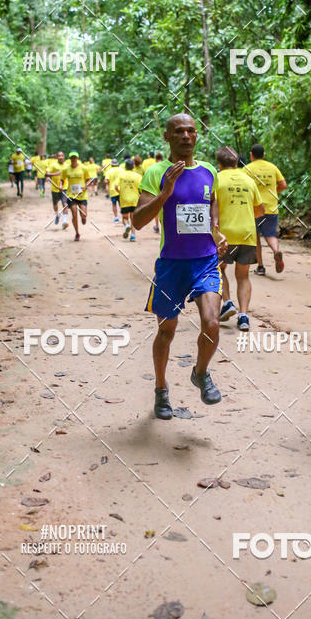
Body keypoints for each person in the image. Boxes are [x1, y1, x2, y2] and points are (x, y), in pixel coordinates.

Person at [133, 113, 228, 420]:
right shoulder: (156, 172)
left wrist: (217, 232)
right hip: (172, 265)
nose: (186, 136)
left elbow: (210, 205)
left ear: (197, 136)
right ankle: (161, 390)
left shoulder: (210, 170)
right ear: (167, 137)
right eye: (179, 131)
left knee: (212, 322)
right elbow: (137, 221)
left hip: (205, 261)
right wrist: (165, 193)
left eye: (191, 131)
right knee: (166, 332)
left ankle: (200, 373)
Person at [215, 146, 264, 331]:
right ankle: (243, 316)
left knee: (219, 269)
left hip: (224, 235)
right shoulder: (249, 180)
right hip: (247, 233)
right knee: (243, 276)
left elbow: (211, 205)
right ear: (236, 162)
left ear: (219, 163)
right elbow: (260, 210)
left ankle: (227, 302)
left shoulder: (216, 179)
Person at [243, 144, 287, 275]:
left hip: (254, 208)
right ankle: (275, 251)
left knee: (256, 237)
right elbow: (283, 185)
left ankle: (261, 267)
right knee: (270, 234)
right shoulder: (272, 167)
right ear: (264, 155)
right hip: (271, 208)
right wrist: (274, 192)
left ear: (251, 155)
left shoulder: (247, 169)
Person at [60, 152, 87, 240]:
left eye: (75, 157)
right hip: (71, 195)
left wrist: (86, 186)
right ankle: (77, 233)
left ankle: (83, 218)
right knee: (74, 214)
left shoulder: (83, 168)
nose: (73, 159)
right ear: (69, 158)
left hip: (82, 194)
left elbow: (89, 179)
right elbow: (62, 179)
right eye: (72, 157)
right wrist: (61, 186)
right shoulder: (66, 169)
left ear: (77, 158)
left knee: (83, 215)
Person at [116, 158, 142, 241]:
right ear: (133, 167)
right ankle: (133, 236)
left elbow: (116, 186)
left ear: (125, 167)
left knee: (125, 217)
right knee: (133, 218)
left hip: (124, 199)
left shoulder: (121, 175)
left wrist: (120, 192)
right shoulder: (138, 176)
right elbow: (141, 188)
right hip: (135, 200)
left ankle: (127, 225)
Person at [46, 151, 69, 228]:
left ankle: (64, 222)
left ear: (64, 156)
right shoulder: (53, 165)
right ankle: (57, 215)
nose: (61, 157)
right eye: (59, 156)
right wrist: (56, 174)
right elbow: (46, 174)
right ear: (57, 157)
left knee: (65, 204)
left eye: (62, 155)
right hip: (54, 188)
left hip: (65, 188)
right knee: (55, 204)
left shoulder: (67, 166)